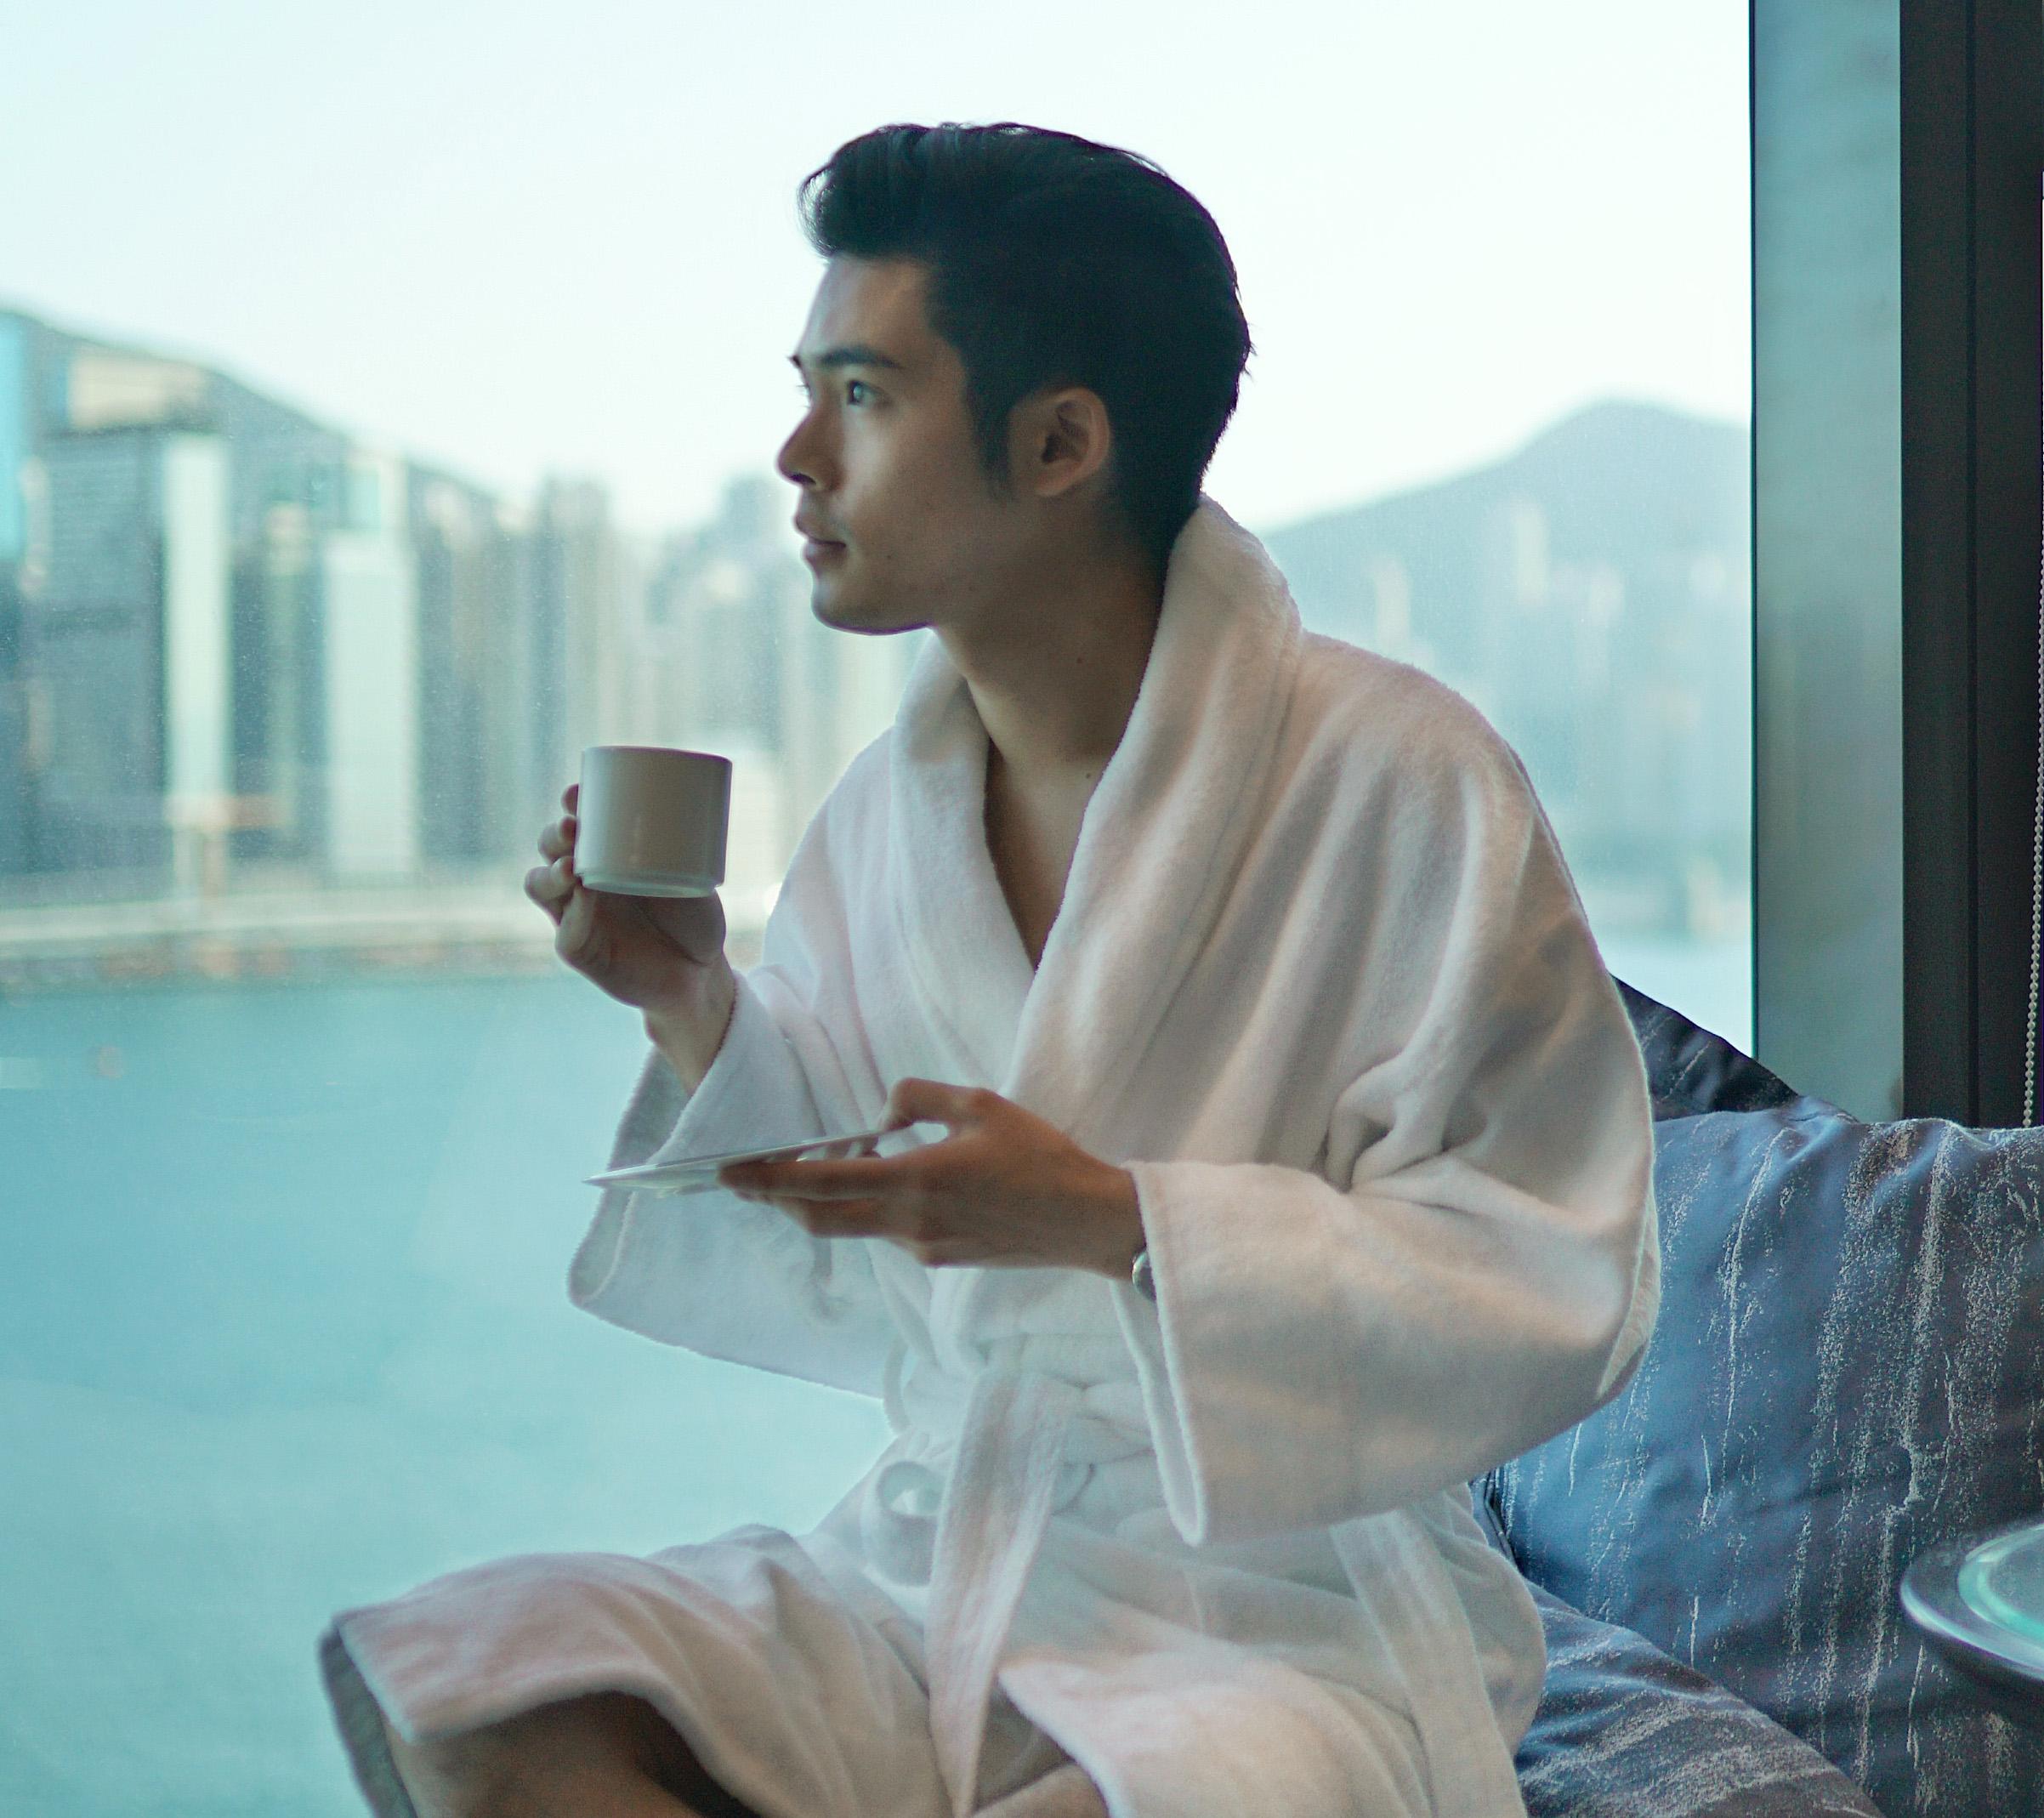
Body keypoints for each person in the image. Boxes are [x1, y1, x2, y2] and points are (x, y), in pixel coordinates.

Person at [318, 122, 1659, 1818]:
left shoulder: (1403, 780)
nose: (796, 455)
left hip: (1280, 1616)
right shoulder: (887, 813)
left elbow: (1547, 1275)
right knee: (481, 1697)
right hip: (948, 1551)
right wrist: (690, 998)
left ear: (1059, 442)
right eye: (807, 391)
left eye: (862, 396)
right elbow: (866, 1212)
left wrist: (1115, 1219)